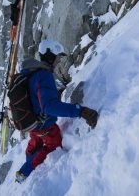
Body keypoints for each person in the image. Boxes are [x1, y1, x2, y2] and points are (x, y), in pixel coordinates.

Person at [15, 39, 98, 182]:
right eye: (58, 57)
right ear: (50, 55)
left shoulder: (32, 74)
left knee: (35, 144)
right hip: (44, 126)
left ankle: (27, 165)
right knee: (53, 144)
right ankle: (26, 172)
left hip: (32, 123)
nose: (59, 61)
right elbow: (49, 106)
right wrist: (80, 111)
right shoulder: (44, 75)